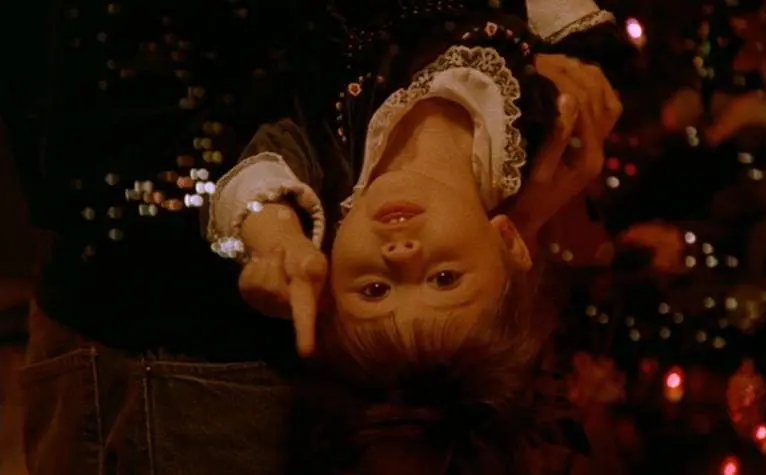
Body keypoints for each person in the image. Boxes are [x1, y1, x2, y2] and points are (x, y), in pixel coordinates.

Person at [12, 1, 621, 474]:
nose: (402, 253)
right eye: (443, 279)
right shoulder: (535, 124)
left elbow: (259, 178)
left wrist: (273, 237)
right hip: (169, 325)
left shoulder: (332, 167)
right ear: (509, 245)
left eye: (375, 288)